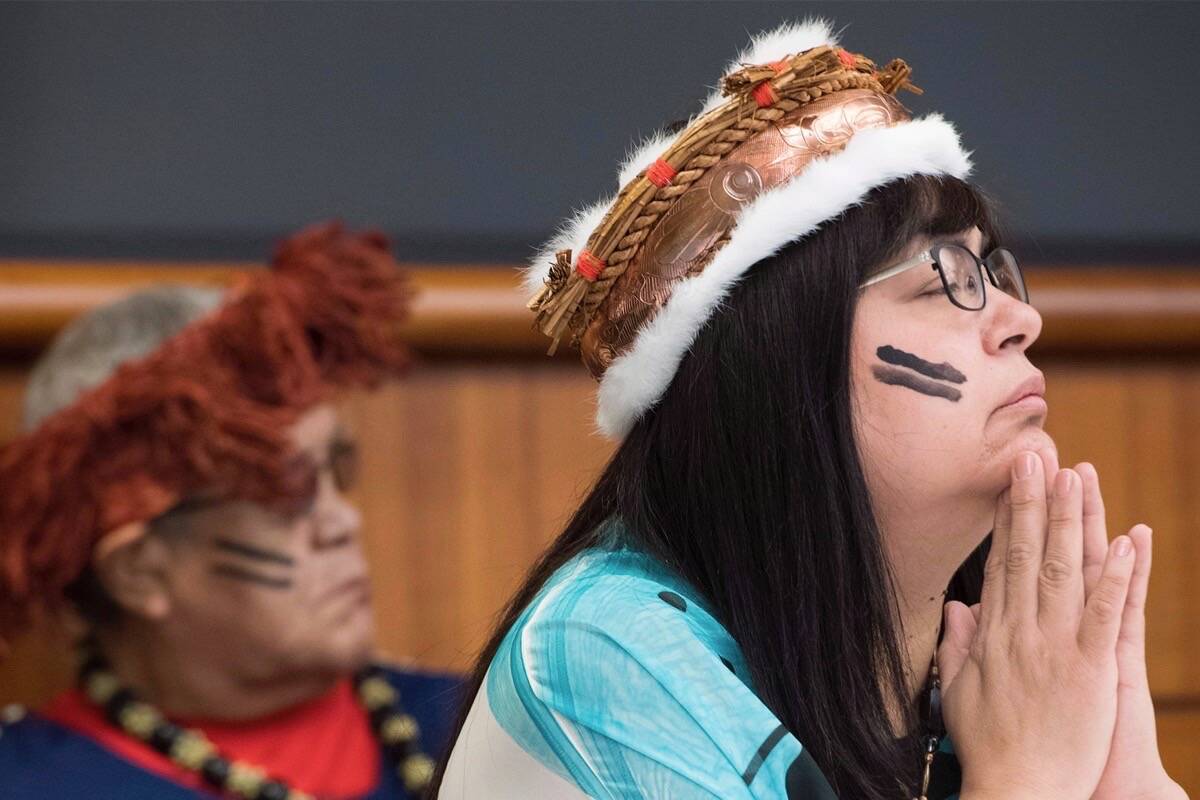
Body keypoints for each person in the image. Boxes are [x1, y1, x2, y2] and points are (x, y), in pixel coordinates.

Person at [434, 20, 1186, 800]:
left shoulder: (988, 665)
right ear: (784, 368)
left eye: (994, 272)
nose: (1020, 320)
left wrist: (1130, 776)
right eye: (942, 281)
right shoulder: (606, 653)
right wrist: (1026, 779)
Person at [0, 223, 460, 800]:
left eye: (335, 471)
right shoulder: (30, 784)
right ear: (138, 569)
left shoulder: (484, 730)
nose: (345, 523)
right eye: (287, 492)